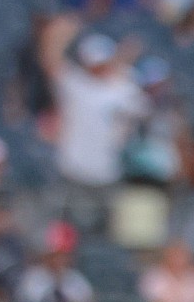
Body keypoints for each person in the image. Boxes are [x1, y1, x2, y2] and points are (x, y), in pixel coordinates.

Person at [47, 32, 145, 188]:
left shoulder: (124, 87)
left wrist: (122, 66)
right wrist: (59, 35)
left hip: (109, 173)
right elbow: (52, 64)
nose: (100, 67)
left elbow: (141, 111)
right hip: (73, 170)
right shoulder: (76, 84)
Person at [14, 221, 96, 302]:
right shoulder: (31, 277)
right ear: (46, 255)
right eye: (56, 255)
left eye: (65, 255)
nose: (60, 260)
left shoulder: (75, 277)